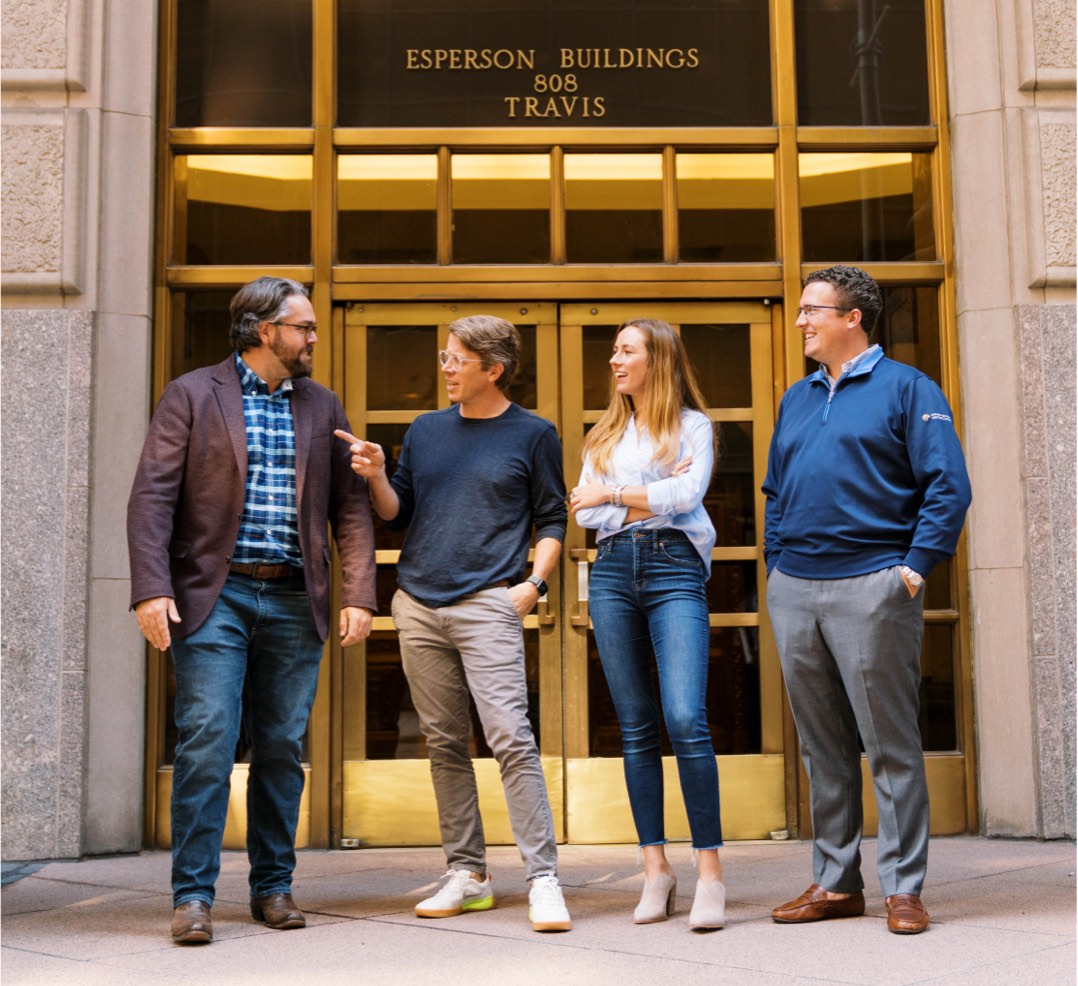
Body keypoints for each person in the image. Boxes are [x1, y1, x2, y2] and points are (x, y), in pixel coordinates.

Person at [127, 277, 377, 945]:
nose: (314, 338)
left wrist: (358, 594)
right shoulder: (191, 395)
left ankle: (272, 886)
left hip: (297, 596)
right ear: (265, 331)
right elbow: (151, 498)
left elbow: (350, 509)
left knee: (281, 747)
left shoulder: (322, 406)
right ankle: (193, 896)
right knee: (207, 738)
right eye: (304, 328)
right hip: (217, 595)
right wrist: (152, 589)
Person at [335, 315, 572, 933]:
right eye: (443, 356)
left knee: (511, 740)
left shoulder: (533, 434)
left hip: (488, 603)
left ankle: (543, 877)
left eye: (455, 359)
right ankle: (468, 873)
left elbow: (553, 518)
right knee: (443, 743)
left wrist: (533, 586)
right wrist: (378, 474)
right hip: (418, 603)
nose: (444, 368)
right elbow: (397, 514)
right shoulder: (426, 429)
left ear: (492, 369)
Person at [762, 265, 971, 935]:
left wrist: (911, 572)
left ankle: (904, 888)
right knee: (823, 748)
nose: (800, 321)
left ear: (852, 317)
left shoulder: (909, 389)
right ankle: (835, 882)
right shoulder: (797, 398)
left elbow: (948, 489)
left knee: (890, 746)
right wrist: (776, 567)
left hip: (873, 585)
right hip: (797, 588)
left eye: (811, 310)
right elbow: (775, 491)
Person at [569, 318, 726, 931]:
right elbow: (583, 512)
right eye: (614, 351)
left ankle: (710, 872)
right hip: (611, 572)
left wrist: (616, 495)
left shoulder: (694, 426)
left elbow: (687, 497)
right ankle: (655, 869)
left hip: (672, 566)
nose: (614, 360)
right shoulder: (603, 434)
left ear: (656, 360)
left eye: (626, 350)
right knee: (635, 726)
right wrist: (646, 490)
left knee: (685, 718)